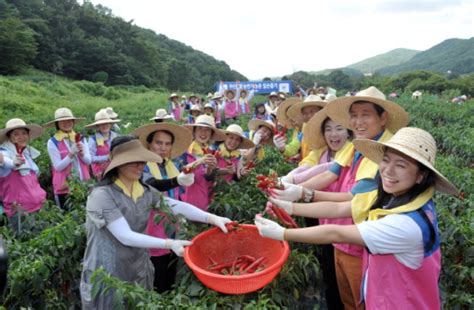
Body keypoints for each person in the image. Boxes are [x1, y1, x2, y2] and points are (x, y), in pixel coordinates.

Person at [256, 127, 458, 310]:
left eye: (401, 165)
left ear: (420, 176)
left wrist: (283, 233)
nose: (388, 170)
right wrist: (291, 206)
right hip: (385, 296)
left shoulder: (407, 224)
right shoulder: (395, 197)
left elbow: (336, 231)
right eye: (386, 160)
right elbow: (342, 208)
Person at [272, 86, 409, 310]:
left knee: (362, 301)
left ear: (383, 117)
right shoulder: (358, 144)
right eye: (354, 115)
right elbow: (330, 173)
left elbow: (349, 202)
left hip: (361, 240)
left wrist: (300, 196)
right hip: (342, 236)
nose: (358, 121)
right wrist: (292, 192)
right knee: (347, 299)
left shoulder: (383, 152)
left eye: (365, 114)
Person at [80, 135, 231, 308]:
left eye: (142, 161)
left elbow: (173, 205)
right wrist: (169, 243)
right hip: (107, 271)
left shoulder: (143, 191)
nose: (140, 165)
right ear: (117, 164)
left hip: (137, 267)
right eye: (133, 161)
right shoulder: (101, 195)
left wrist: (211, 218)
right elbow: (125, 235)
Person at [0, 118, 46, 228]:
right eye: (16, 134)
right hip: (20, 211)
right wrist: (14, 163)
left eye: (24, 133)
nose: (21, 137)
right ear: (9, 137)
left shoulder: (26, 154)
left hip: (38, 206)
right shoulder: (4, 153)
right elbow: (5, 162)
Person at [44, 108, 91, 209]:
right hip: (64, 187)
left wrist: (82, 154)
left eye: (69, 120)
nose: (67, 123)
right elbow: (58, 167)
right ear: (57, 123)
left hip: (82, 184)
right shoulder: (53, 142)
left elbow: (88, 161)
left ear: (73, 122)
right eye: (63, 121)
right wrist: (71, 154)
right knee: (67, 216)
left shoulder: (80, 138)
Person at [182, 115, 227, 211]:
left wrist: (210, 169)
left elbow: (208, 178)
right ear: (194, 132)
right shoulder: (185, 151)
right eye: (200, 129)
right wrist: (200, 161)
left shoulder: (212, 153)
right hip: (186, 199)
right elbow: (182, 172)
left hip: (204, 199)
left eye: (207, 130)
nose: (203, 133)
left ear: (211, 134)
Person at [286, 95, 330, 160]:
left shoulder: (328, 129)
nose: (309, 115)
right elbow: (294, 146)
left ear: (321, 111)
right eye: (305, 113)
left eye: (312, 111)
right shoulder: (303, 131)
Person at [86, 109, 120, 180]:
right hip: (100, 172)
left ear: (110, 124)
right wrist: (106, 157)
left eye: (106, 123)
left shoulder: (115, 136)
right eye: (101, 124)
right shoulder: (93, 139)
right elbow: (90, 158)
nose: (104, 126)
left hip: (115, 167)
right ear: (97, 126)